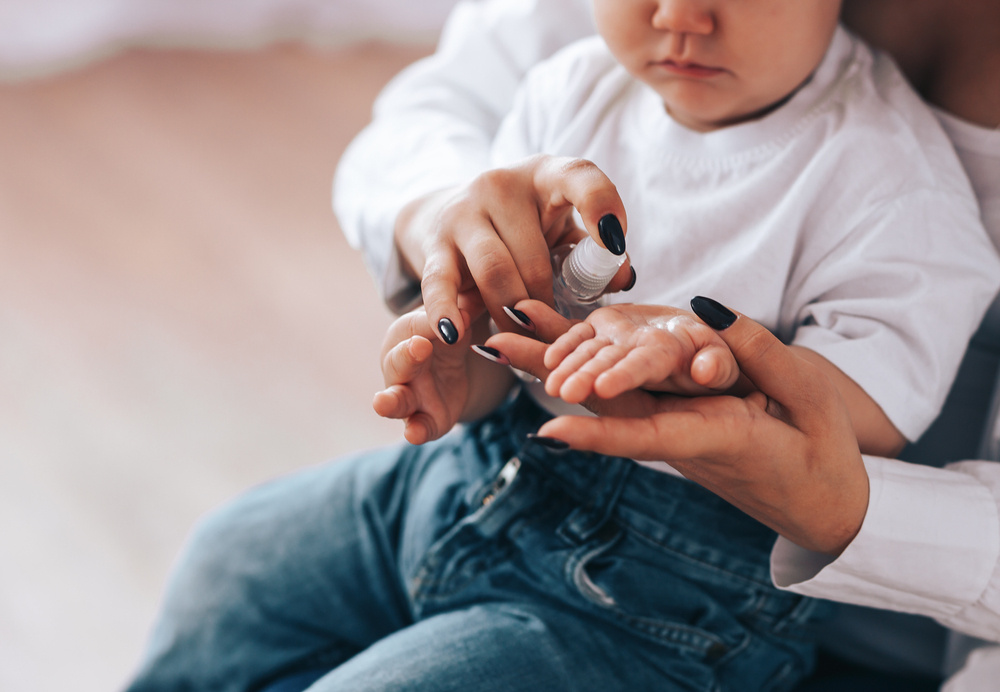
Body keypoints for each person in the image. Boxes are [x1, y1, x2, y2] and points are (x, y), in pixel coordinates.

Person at [336, 0, 1000, 687]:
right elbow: (509, 340)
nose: (680, 15)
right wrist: (462, 363)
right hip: (473, 477)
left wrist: (723, 376)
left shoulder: (896, 181)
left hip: (670, 593)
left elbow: (870, 417)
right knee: (224, 572)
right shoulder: (572, 84)